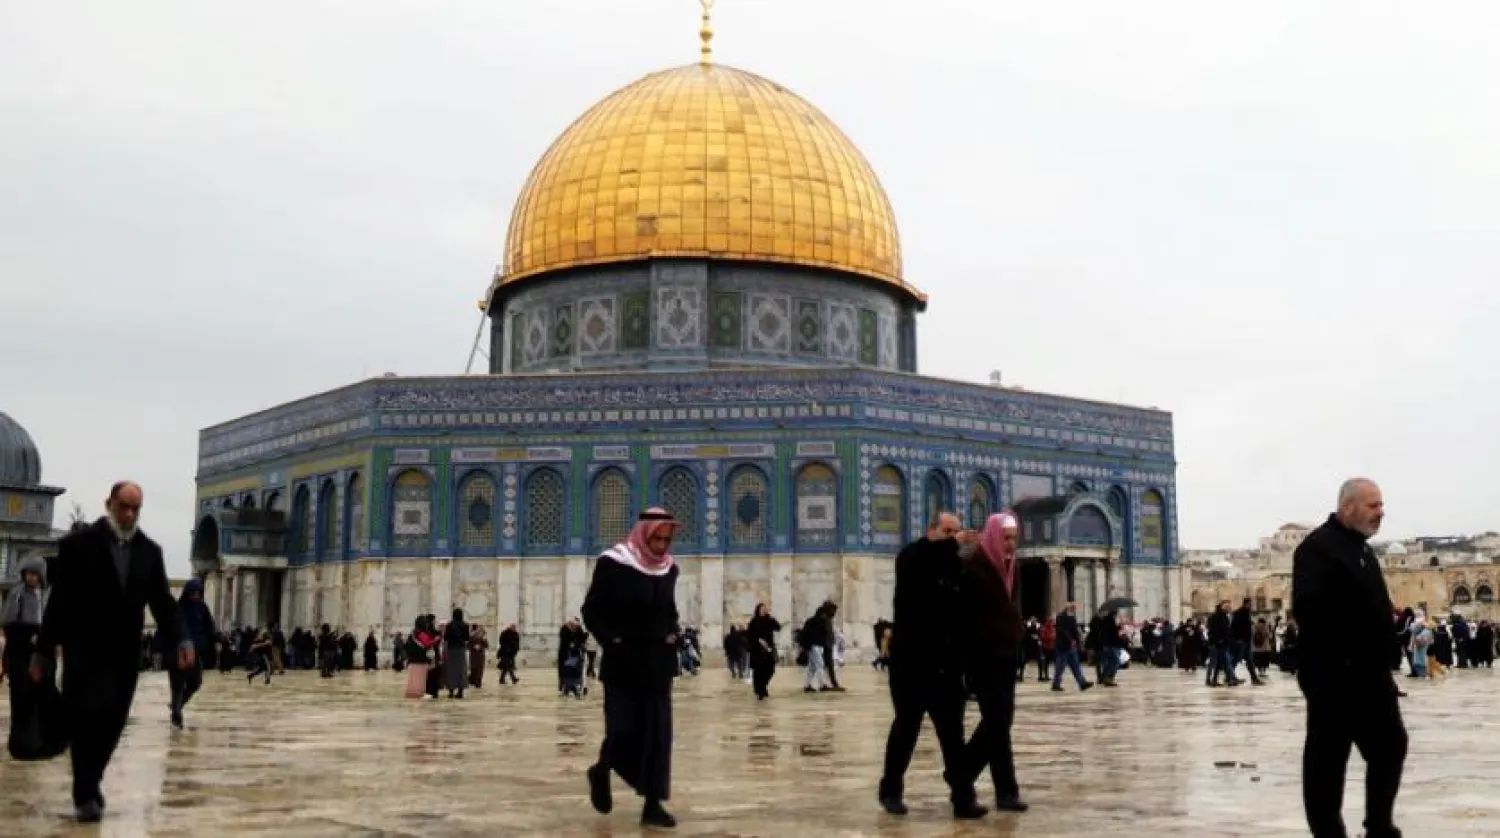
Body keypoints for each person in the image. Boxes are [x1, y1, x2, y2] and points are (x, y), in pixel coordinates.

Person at [30, 481, 192, 823]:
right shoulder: (78, 546)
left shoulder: (149, 552)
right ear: (110, 503)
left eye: (136, 509)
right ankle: (86, 792)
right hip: (83, 651)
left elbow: (163, 603)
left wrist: (182, 640)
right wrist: (44, 650)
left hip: (124, 654)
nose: (129, 514)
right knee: (85, 716)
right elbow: (60, 602)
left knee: (114, 720)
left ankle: (91, 779)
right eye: (124, 507)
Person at [1293, 478, 1406, 838]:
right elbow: (1311, 610)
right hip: (1335, 677)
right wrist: (1345, 657)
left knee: (1391, 746)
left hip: (1371, 676)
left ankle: (1379, 826)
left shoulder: (1362, 549)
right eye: (1373, 506)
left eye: (1381, 505)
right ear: (1348, 507)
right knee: (1327, 762)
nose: (1380, 512)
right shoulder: (1317, 549)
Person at [878, 512, 986, 820]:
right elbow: (920, 561)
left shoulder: (955, 567)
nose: (952, 537)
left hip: (947, 666)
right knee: (906, 729)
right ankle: (891, 791)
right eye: (946, 531)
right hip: (911, 664)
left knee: (952, 736)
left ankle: (963, 799)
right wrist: (952, 545)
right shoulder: (912, 557)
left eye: (956, 532)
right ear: (931, 531)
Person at [582, 508, 683, 829]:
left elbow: (669, 609)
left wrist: (673, 633)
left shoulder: (669, 569)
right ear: (644, 533)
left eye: (667, 539)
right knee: (622, 729)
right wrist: (612, 640)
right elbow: (592, 609)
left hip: (657, 665)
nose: (663, 545)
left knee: (657, 736)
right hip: (624, 662)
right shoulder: (615, 562)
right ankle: (602, 769)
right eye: (658, 538)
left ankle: (652, 805)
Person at [959, 512, 1028, 813]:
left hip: (1005, 656)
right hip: (982, 656)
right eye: (1006, 538)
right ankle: (968, 778)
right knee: (998, 721)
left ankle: (1003, 791)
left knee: (1001, 722)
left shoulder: (1012, 568)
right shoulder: (974, 567)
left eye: (1014, 538)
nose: (1011, 544)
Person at [168, 578, 216, 729]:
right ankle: (177, 717)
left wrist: (218, 640)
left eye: (198, 593)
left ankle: (177, 706)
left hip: (195, 655)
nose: (195, 595)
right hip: (177, 654)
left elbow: (209, 628)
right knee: (177, 686)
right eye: (192, 593)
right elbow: (167, 629)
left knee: (195, 683)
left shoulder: (202, 609)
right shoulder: (177, 609)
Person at [745, 603, 782, 700]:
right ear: (758, 610)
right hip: (757, 650)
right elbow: (750, 635)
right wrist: (759, 640)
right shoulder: (754, 621)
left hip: (769, 649)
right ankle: (760, 690)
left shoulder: (769, 620)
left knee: (770, 669)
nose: (764, 610)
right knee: (758, 671)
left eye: (765, 609)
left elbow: (778, 627)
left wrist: (771, 617)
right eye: (762, 609)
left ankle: (763, 686)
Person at [443, 609, 470, 699]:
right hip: (461, 649)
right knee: (461, 670)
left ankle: (451, 691)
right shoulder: (465, 625)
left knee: (451, 670)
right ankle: (460, 691)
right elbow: (467, 638)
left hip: (451, 649)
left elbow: (446, 637)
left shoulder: (449, 625)